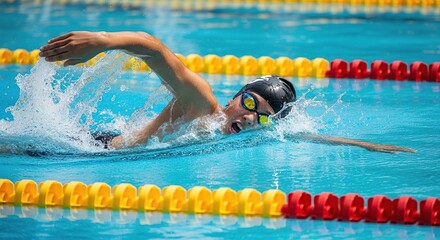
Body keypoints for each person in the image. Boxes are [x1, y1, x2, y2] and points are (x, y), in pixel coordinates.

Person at [39, 31, 415, 153]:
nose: (250, 116)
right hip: (93, 146)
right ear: (236, 96)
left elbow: (307, 135)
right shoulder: (202, 105)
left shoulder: (258, 134)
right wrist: (102, 41)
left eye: (261, 115)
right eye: (249, 102)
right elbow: (155, 49)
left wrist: (366, 146)